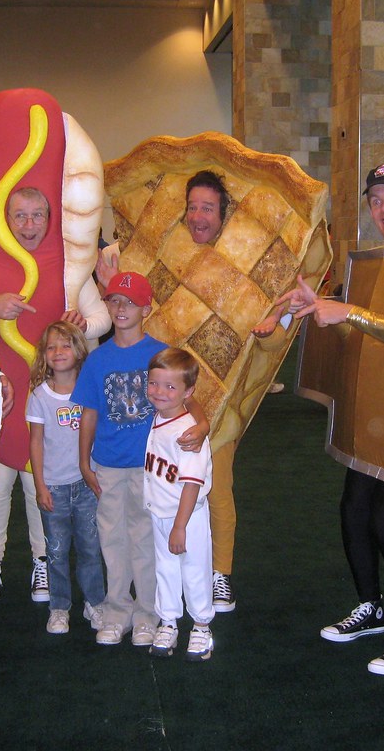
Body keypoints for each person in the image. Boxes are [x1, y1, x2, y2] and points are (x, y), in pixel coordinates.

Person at [277, 163, 384, 677]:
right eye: (376, 199)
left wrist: (346, 312)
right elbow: (369, 340)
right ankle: (371, 608)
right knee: (354, 511)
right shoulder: (375, 264)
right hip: (376, 410)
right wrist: (328, 308)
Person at [95, 170, 241, 614]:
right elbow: (124, 305)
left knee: (217, 487)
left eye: (208, 208)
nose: (198, 215)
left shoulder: (238, 263)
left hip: (214, 394)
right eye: (192, 206)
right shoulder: (153, 252)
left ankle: (220, 575)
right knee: (158, 487)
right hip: (161, 396)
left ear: (223, 215)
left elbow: (267, 339)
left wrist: (272, 325)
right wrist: (106, 283)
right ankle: (165, 578)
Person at [0, 187, 111, 606]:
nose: (29, 226)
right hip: (2, 391)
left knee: (40, 475)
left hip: (51, 396)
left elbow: (101, 316)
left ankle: (42, 561)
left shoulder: (71, 266)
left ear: (51, 219)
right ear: (5, 218)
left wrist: (81, 324)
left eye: (37, 216)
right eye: (20, 216)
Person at [72, 271, 208, 646]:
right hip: (109, 465)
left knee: (147, 539)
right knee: (112, 539)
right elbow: (89, 413)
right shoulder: (98, 359)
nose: (120, 308)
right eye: (114, 300)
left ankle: (149, 612)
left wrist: (204, 424)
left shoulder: (160, 353)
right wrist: (85, 463)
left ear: (146, 308)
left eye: (130, 302)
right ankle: (118, 610)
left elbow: (190, 397)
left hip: (152, 467)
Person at [26, 320, 106, 635]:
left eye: (65, 345)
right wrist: (40, 486)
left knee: (90, 547)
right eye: (51, 347)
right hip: (54, 489)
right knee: (56, 550)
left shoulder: (89, 391)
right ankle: (59, 607)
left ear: (78, 350)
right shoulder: (40, 396)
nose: (59, 352)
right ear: (44, 355)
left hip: (87, 486)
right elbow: (35, 442)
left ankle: (95, 602)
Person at [145, 347, 215, 662]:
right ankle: (169, 620)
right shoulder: (161, 416)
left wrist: (179, 526)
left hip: (186, 517)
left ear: (187, 392)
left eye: (170, 387)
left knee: (194, 569)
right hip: (162, 512)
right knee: (166, 569)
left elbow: (190, 484)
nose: (160, 392)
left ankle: (201, 625)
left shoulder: (189, 433)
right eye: (154, 383)